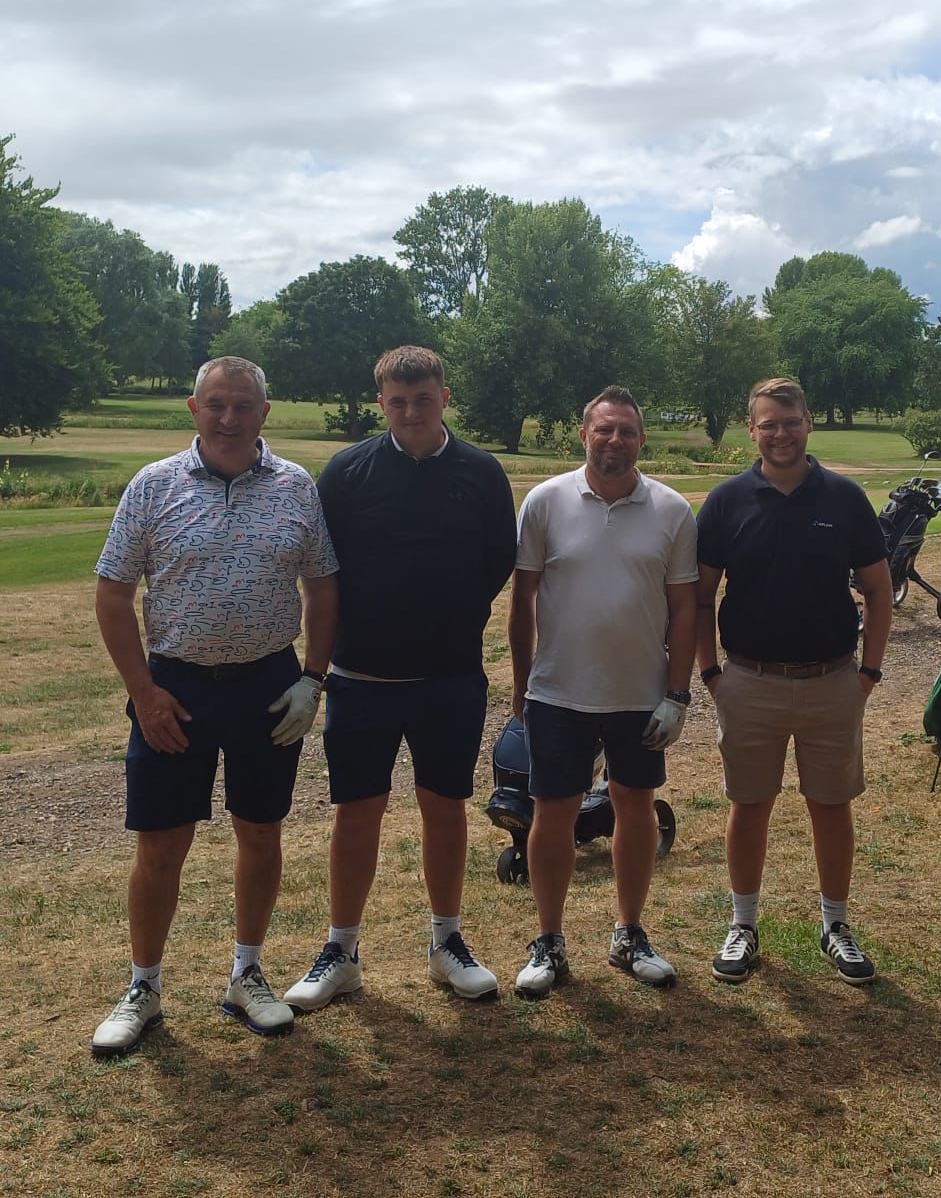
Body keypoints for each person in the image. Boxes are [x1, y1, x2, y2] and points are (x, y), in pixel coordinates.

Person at [89, 356, 340, 1055]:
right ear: (194, 409)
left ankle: (247, 974)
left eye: (243, 406)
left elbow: (323, 586)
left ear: (265, 412)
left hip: (269, 686)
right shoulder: (154, 485)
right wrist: (143, 694)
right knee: (162, 842)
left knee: (260, 832)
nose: (230, 418)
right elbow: (112, 594)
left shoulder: (296, 486)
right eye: (217, 405)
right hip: (175, 689)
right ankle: (143, 987)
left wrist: (313, 679)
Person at [283, 345, 517, 1010]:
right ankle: (342, 951)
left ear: (445, 397)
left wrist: (446, 613)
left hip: (449, 677)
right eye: (398, 401)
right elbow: (322, 569)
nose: (411, 412)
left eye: (423, 398)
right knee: (357, 813)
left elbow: (497, 560)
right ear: (381, 403)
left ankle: (447, 943)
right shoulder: (348, 471)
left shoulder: (480, 472)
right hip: (362, 678)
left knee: (445, 809)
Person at [693, 377, 891, 986]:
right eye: (768, 424)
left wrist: (868, 673)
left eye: (791, 421)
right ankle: (743, 925)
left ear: (808, 423)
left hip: (832, 681)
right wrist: (710, 673)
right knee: (749, 806)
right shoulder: (726, 501)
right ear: (752, 430)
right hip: (749, 681)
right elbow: (700, 597)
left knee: (830, 807)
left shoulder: (844, 498)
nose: (781, 434)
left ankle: (835, 926)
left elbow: (879, 590)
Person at [507, 385, 697, 998]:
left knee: (634, 807)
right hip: (558, 690)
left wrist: (678, 694)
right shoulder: (545, 501)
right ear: (584, 434)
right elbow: (522, 601)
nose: (615, 440)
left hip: (640, 694)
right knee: (552, 812)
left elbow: (685, 608)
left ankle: (629, 933)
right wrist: (521, 685)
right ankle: (549, 940)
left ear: (642, 440)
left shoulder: (672, 510)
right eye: (605, 429)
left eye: (627, 431)